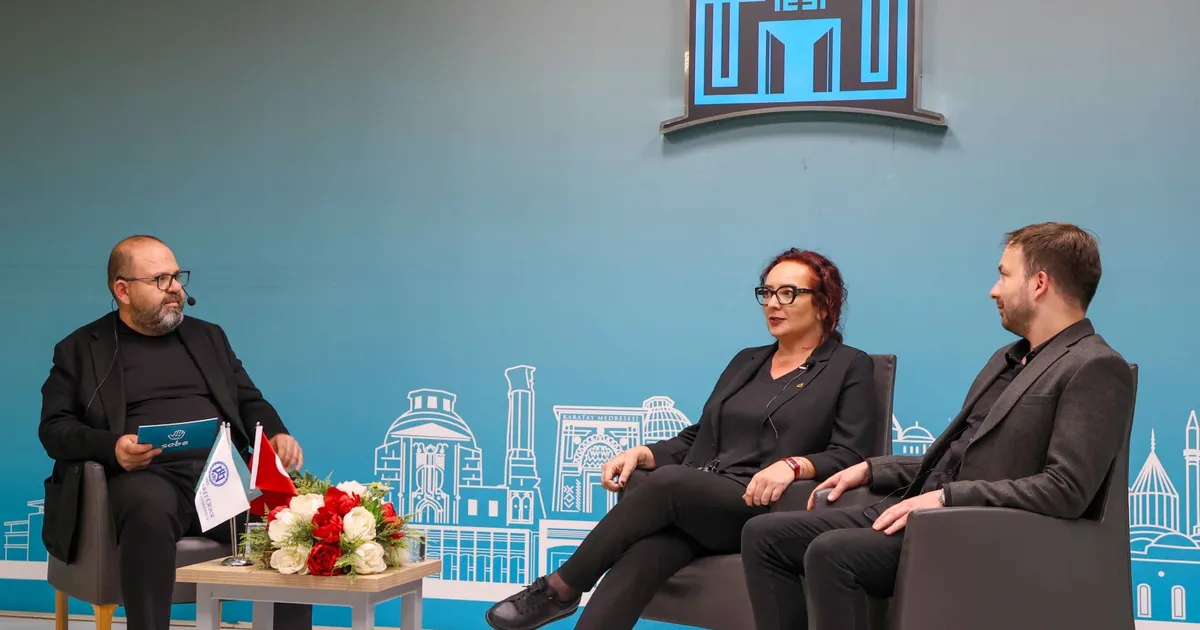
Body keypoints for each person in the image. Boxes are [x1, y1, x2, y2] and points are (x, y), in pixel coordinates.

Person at [740, 222, 1136, 630]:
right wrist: (872, 469)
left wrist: (946, 498)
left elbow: (1066, 490)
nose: (994, 290)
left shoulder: (1094, 366)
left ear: (1039, 283)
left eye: (1004, 275)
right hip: (916, 511)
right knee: (763, 536)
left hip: (976, 533)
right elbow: (965, 459)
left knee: (832, 553)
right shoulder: (1007, 358)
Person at [485, 249, 884, 630]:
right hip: (703, 502)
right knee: (648, 552)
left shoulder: (849, 365)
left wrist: (795, 465)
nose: (772, 304)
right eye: (766, 292)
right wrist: (644, 453)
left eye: (788, 293)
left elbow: (853, 453)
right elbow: (700, 435)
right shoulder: (748, 360)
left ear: (823, 304)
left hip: (768, 506)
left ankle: (561, 587)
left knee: (670, 483)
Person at [38, 235, 312, 630]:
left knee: (292, 517)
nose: (176, 289)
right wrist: (113, 447)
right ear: (122, 290)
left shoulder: (208, 337)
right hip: (144, 477)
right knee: (149, 512)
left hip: (217, 475)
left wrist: (275, 434)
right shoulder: (80, 349)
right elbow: (54, 429)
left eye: (177, 277)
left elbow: (249, 400)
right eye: (160, 280)